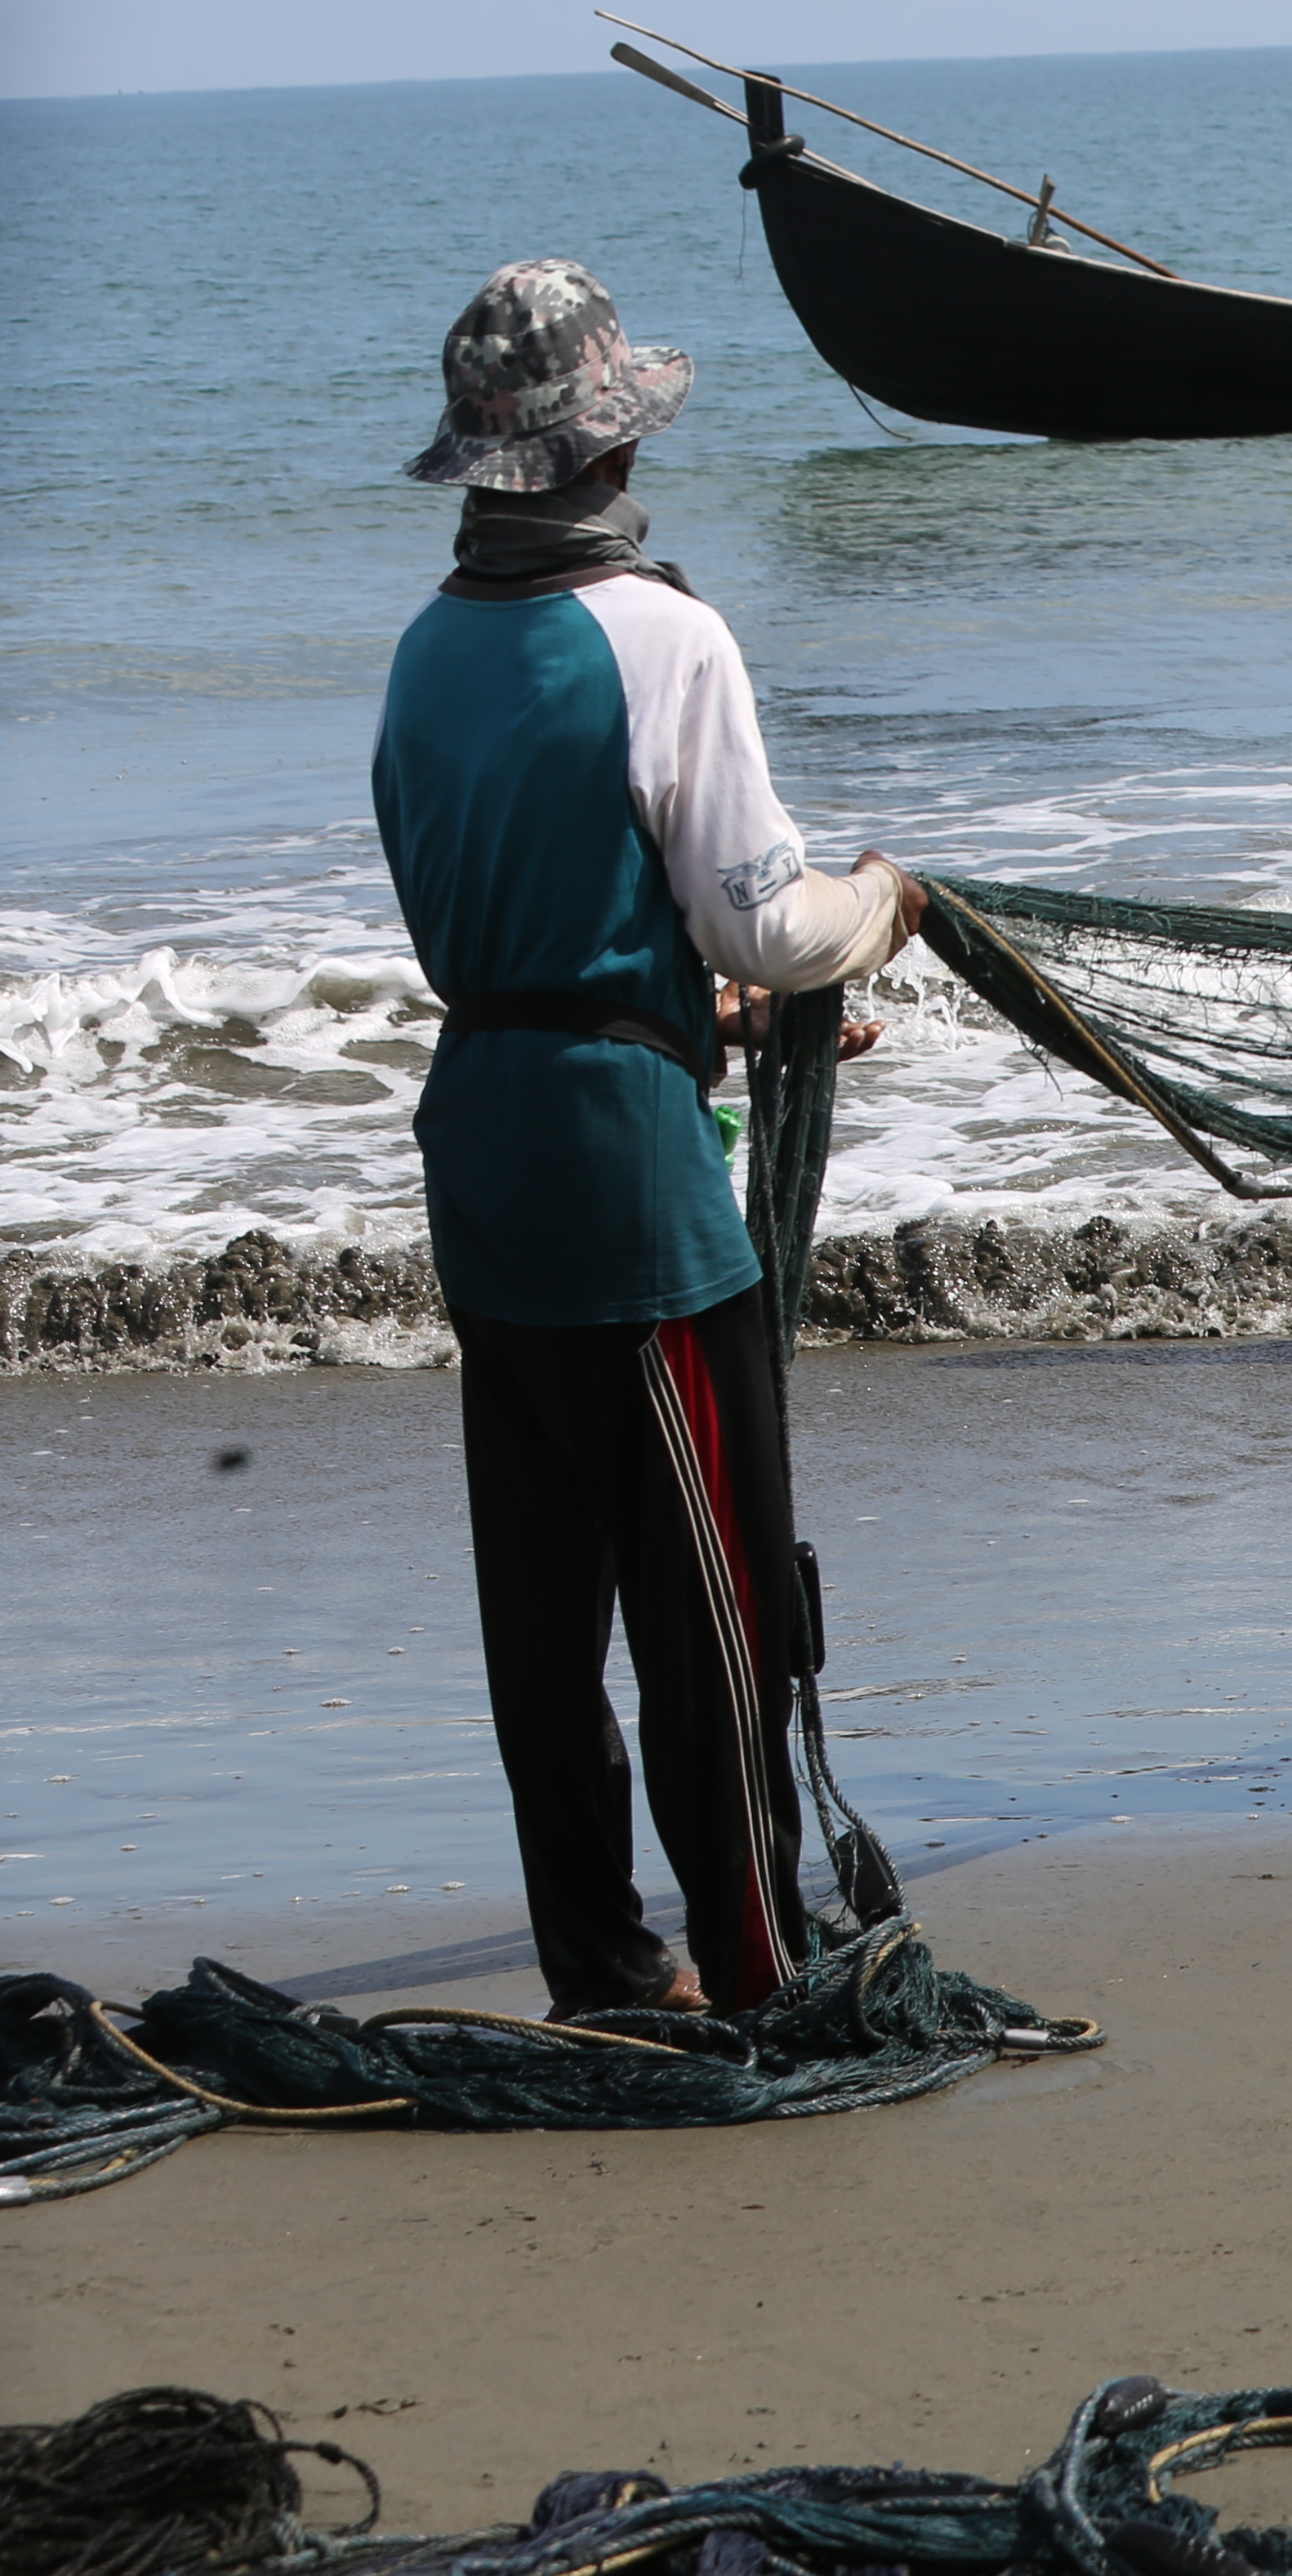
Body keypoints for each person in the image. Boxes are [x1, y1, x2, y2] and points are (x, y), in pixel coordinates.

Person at [368, 260, 922, 2020]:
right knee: (716, 1595)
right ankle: (759, 1963)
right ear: (608, 451)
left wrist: (698, 1007)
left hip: (486, 1146)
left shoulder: (426, 651)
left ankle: (602, 1963)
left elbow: (517, 930)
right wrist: (885, 901)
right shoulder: (663, 634)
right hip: (628, 1182)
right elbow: (768, 916)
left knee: (543, 1606)